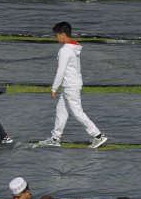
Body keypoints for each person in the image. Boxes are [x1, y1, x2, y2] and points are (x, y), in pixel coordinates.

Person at [38, 21, 108, 149]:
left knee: (77, 112)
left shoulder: (65, 50)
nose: (55, 38)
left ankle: (98, 136)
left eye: (56, 35)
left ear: (63, 35)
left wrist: (54, 87)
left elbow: (61, 70)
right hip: (72, 84)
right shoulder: (75, 47)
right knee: (61, 111)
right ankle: (55, 138)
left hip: (70, 85)